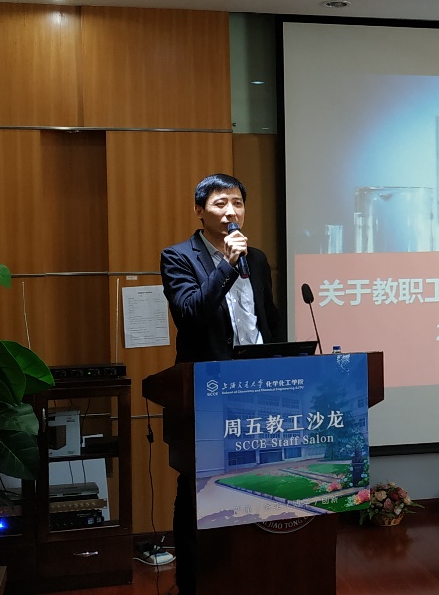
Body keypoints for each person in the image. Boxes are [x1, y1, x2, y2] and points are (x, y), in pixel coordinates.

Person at [159, 173, 284, 595]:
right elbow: (190, 314)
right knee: (200, 489)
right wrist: (227, 266)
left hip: (260, 389)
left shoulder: (258, 259)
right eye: (220, 203)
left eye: (238, 203)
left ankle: (251, 576)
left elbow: (267, 320)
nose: (231, 211)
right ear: (199, 210)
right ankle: (195, 583)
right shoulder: (178, 257)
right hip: (209, 393)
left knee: (258, 484)